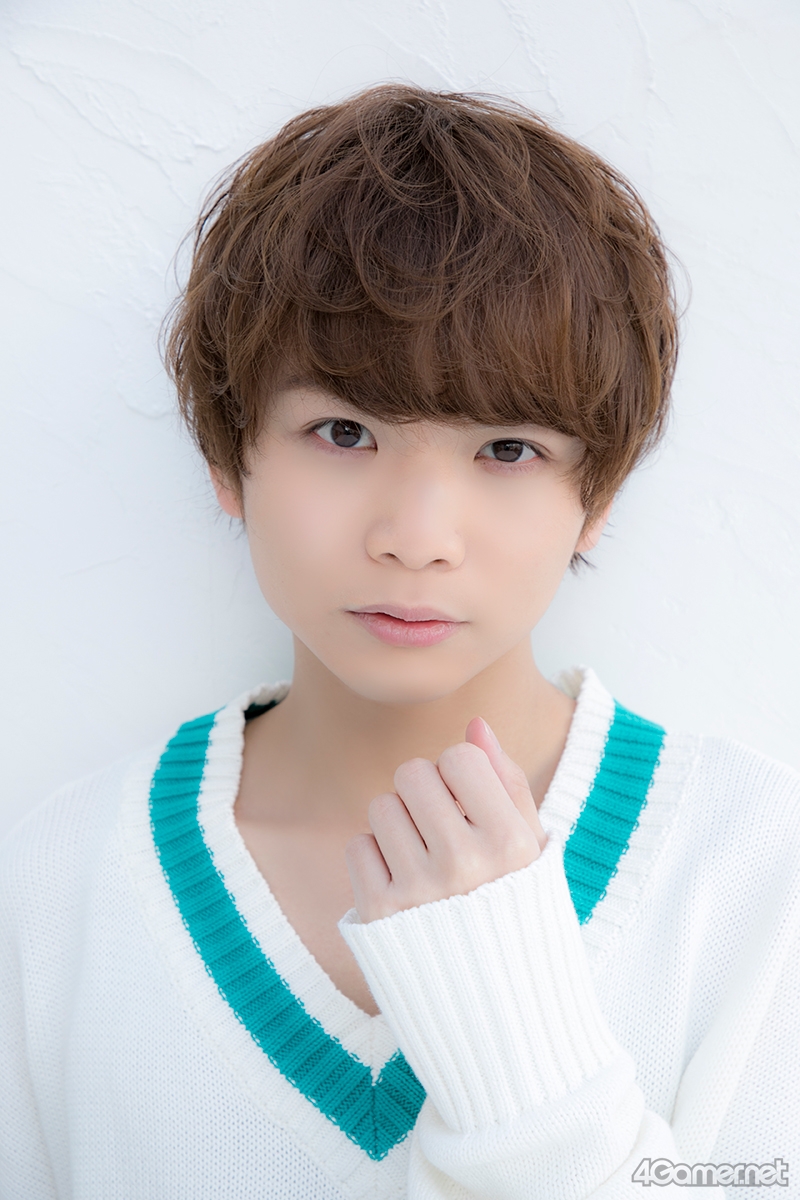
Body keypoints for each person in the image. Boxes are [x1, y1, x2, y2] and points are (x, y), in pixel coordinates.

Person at [1, 84, 798, 1200]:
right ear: (229, 458)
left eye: (508, 449)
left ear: (599, 495)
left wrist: (521, 1069)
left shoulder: (751, 868)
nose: (416, 538)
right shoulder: (63, 879)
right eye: (343, 431)